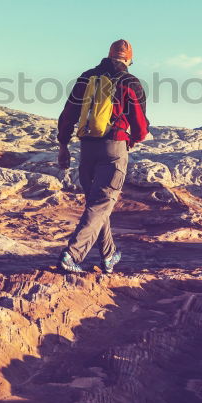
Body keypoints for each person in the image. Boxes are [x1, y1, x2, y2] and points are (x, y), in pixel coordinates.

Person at [56, 39, 150, 274]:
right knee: (101, 204)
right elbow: (140, 126)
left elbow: (68, 114)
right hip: (113, 147)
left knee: (98, 205)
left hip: (87, 148)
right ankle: (72, 255)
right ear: (128, 59)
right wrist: (132, 140)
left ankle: (108, 255)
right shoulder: (130, 82)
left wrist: (63, 145)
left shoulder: (87, 78)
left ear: (108, 55)